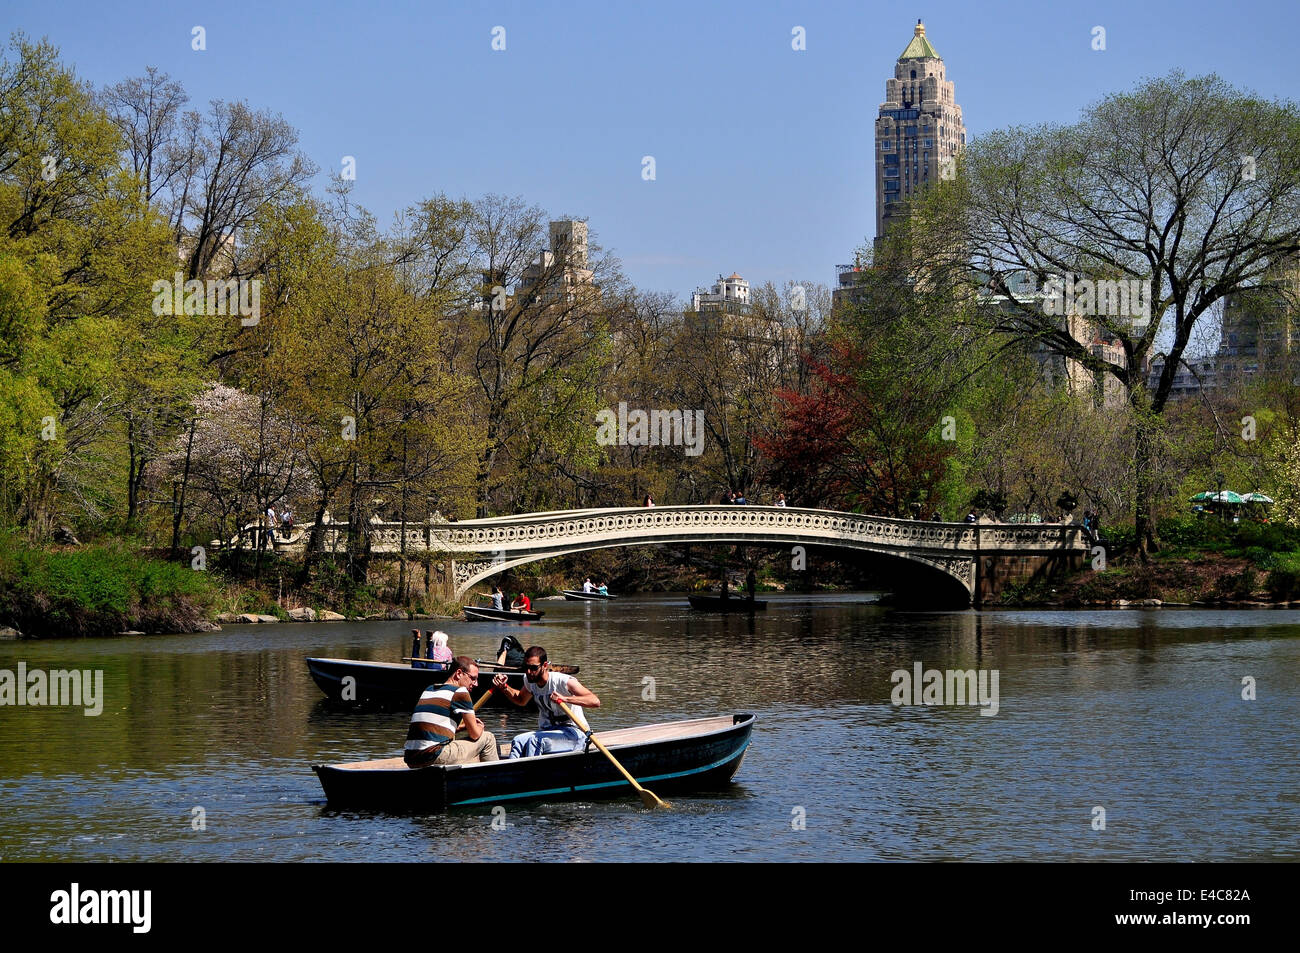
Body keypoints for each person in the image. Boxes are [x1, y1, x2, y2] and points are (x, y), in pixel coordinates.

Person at [493, 647, 600, 758]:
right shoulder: (530, 681)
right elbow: (521, 700)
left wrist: (565, 699)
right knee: (518, 740)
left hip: (574, 733)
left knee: (535, 741)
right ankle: (512, 772)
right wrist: (504, 687)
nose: (529, 672)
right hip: (548, 731)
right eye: (526, 667)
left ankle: (530, 773)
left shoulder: (563, 681)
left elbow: (595, 701)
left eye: (533, 668)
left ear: (544, 666)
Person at [403, 656, 499, 767]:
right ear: (459, 673)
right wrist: (480, 728)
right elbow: (475, 735)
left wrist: (459, 728)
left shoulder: (429, 689)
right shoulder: (460, 691)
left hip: (411, 758)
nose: (476, 683)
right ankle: (495, 779)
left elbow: (431, 730)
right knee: (488, 738)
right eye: (473, 678)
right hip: (434, 755)